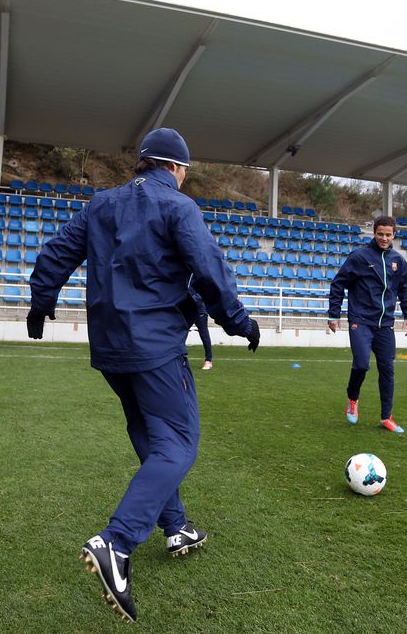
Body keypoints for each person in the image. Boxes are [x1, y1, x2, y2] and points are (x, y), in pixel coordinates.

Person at [27, 127, 259, 623]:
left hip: (110, 347)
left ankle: (176, 525)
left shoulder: (99, 204)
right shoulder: (179, 207)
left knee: (150, 437)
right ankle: (117, 542)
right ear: (176, 168)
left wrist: (40, 303)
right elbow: (210, 271)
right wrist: (240, 323)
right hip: (153, 345)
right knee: (178, 442)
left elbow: (54, 254)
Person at [327, 216, 407, 433]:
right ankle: (353, 398)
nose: (384, 238)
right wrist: (333, 314)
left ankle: (387, 417)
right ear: (374, 233)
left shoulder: (398, 260)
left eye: (388, 234)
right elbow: (338, 284)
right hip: (361, 320)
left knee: (387, 369)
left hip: (385, 324)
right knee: (361, 365)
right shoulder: (359, 257)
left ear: (394, 235)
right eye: (380, 234)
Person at [189, 287, 214, 370]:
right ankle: (179, 358)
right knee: (181, 334)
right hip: (187, 311)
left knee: (204, 335)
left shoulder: (198, 278)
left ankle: (208, 360)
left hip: (200, 310)